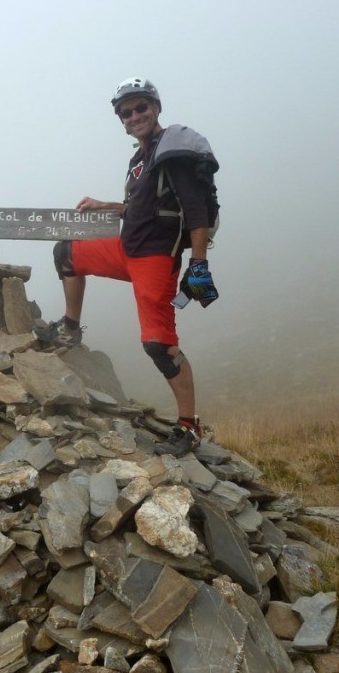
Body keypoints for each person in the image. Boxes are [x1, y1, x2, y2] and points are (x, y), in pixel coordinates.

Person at [34, 77, 220, 456]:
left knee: (159, 345)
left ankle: (188, 426)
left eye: (141, 108)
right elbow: (144, 208)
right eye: (126, 112)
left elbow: (196, 212)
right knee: (66, 253)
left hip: (155, 260)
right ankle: (71, 328)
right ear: (121, 119)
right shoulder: (140, 159)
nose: (134, 116)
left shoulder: (173, 151)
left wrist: (198, 263)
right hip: (127, 251)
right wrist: (109, 205)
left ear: (156, 108)